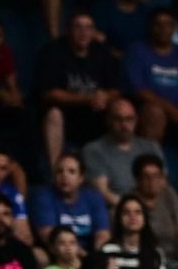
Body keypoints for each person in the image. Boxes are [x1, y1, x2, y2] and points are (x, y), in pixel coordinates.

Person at [36, 11, 125, 162]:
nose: (83, 32)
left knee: (121, 107)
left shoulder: (101, 51)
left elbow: (116, 90)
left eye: (88, 28)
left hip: (96, 114)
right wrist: (87, 99)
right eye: (78, 27)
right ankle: (56, 171)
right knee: (54, 114)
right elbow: (49, 93)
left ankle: (116, 167)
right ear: (68, 30)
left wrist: (104, 97)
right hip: (66, 114)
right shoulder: (53, 51)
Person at [83, 96, 163, 208]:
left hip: (154, 207)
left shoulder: (151, 147)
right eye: (118, 119)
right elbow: (103, 193)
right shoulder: (94, 150)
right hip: (119, 210)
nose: (124, 125)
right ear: (108, 121)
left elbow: (163, 185)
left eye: (129, 119)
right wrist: (136, 210)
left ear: (136, 120)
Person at [32, 152, 110, 251]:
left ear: (81, 178)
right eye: (59, 171)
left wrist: (97, 257)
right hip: (57, 252)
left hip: (89, 253)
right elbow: (49, 236)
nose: (64, 176)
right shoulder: (43, 196)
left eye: (71, 172)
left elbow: (102, 234)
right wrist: (82, 257)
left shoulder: (94, 197)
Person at [130, 152, 178, 266]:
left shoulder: (168, 193)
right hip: (148, 261)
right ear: (137, 180)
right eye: (147, 176)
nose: (152, 180)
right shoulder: (131, 201)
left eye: (156, 176)